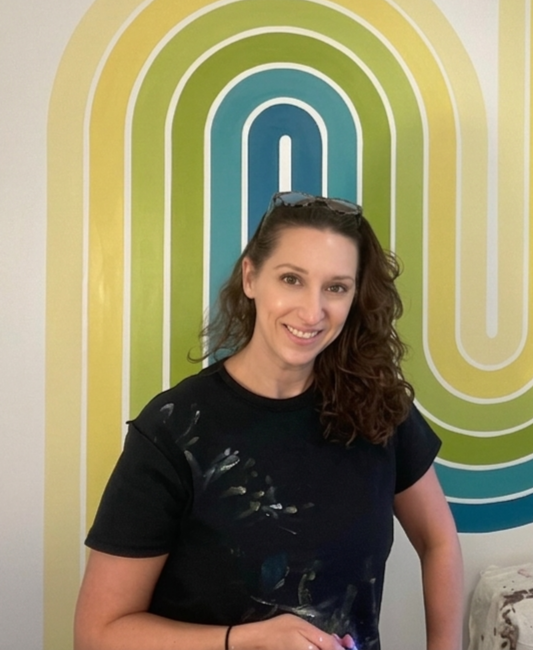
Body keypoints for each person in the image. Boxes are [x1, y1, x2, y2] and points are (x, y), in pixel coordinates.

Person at [74, 192, 464, 650]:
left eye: (336, 287)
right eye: (292, 279)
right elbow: (97, 634)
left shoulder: (379, 407)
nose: (312, 311)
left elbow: (438, 541)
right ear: (251, 277)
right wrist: (247, 640)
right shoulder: (172, 431)